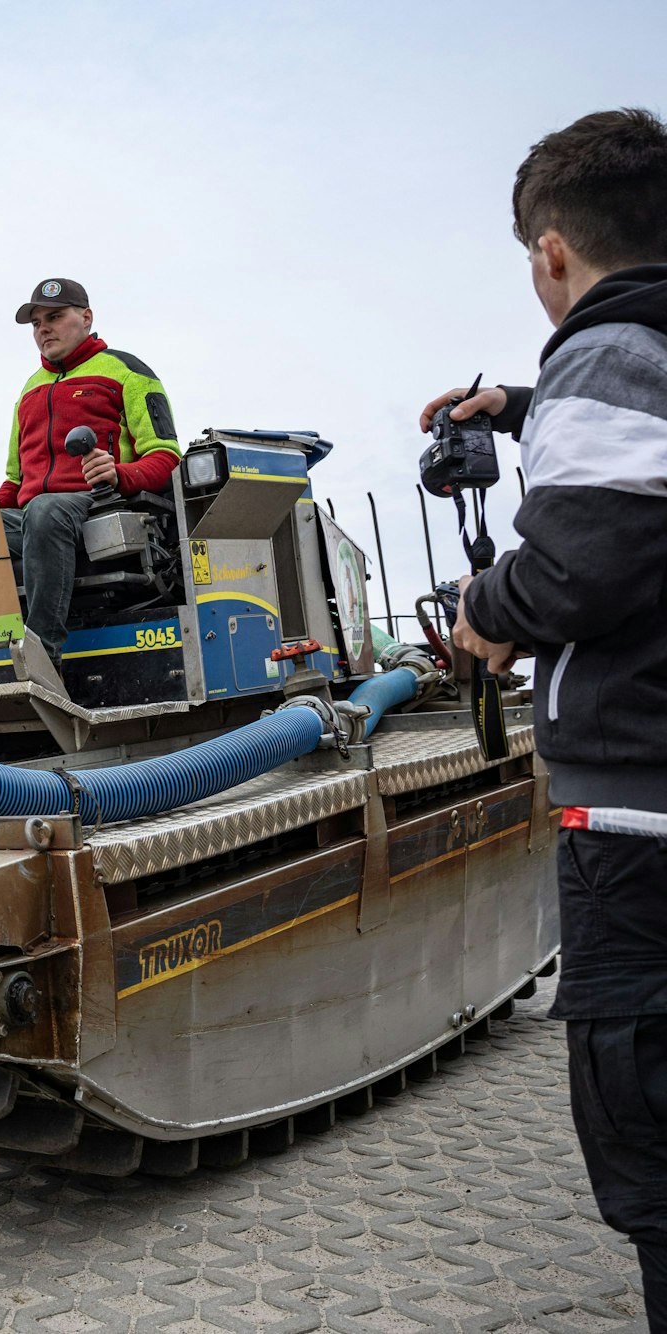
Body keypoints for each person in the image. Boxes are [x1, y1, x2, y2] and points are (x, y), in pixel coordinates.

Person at [424, 108, 667, 1327]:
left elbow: (579, 565)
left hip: (637, 813)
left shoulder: (606, 347)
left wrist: (483, 607)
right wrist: (519, 407)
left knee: (646, 1129)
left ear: (550, 253)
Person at [0, 278, 180, 662]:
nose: (43, 329)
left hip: (99, 506)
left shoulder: (128, 372)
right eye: (36, 323)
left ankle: (43, 659)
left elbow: (166, 458)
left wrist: (119, 474)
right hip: (35, 516)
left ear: (86, 317)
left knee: (45, 510)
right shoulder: (28, 391)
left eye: (54, 317)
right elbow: (14, 484)